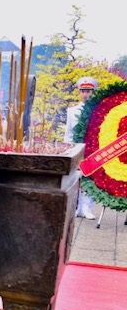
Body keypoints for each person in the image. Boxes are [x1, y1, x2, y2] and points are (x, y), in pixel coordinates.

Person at [64, 76, 98, 220]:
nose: (85, 94)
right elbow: (69, 132)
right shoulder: (72, 111)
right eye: (83, 91)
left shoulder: (98, 110)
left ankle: (87, 208)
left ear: (93, 92)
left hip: (92, 148)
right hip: (76, 148)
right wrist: (67, 147)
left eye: (88, 91)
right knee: (76, 177)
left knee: (90, 178)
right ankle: (76, 208)